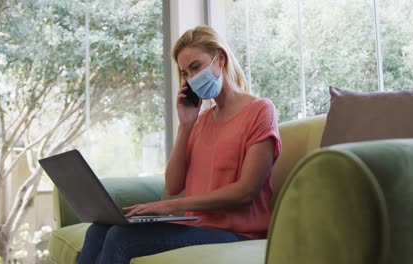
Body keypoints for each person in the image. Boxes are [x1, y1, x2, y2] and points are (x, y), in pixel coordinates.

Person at [77, 25, 282, 263]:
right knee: (98, 230)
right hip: (199, 228)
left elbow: (246, 191)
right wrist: (185, 126)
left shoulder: (260, 110)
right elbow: (173, 184)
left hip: (239, 234)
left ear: (221, 59)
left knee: (121, 237)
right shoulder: (201, 119)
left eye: (196, 67)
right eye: (185, 72)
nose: (191, 78)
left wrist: (171, 206)